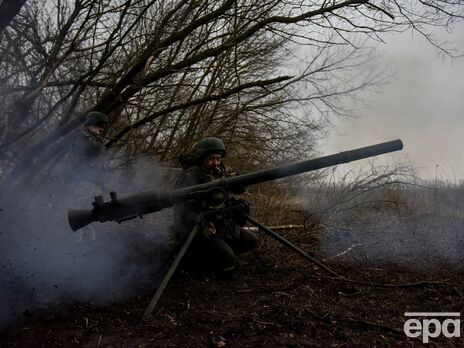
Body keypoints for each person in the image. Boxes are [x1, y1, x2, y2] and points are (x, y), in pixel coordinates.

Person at [174, 137, 257, 275]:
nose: (215, 163)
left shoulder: (222, 171)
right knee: (228, 262)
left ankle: (217, 255)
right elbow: (183, 210)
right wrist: (202, 225)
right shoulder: (191, 176)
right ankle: (194, 260)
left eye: (218, 159)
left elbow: (238, 188)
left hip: (223, 226)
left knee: (250, 240)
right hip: (199, 230)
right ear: (202, 158)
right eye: (211, 159)